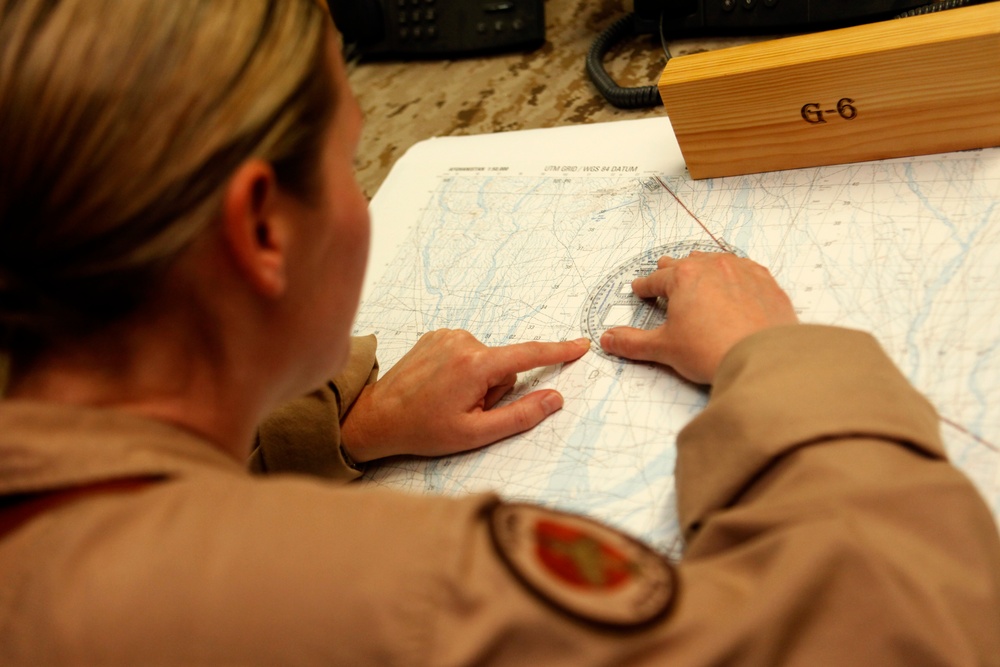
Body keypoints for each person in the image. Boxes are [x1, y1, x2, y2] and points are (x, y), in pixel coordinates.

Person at [0, 0, 997, 664]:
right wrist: (769, 356)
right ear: (261, 228)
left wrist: (325, 433)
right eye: (348, 165)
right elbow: (903, 624)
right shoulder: (411, 589)